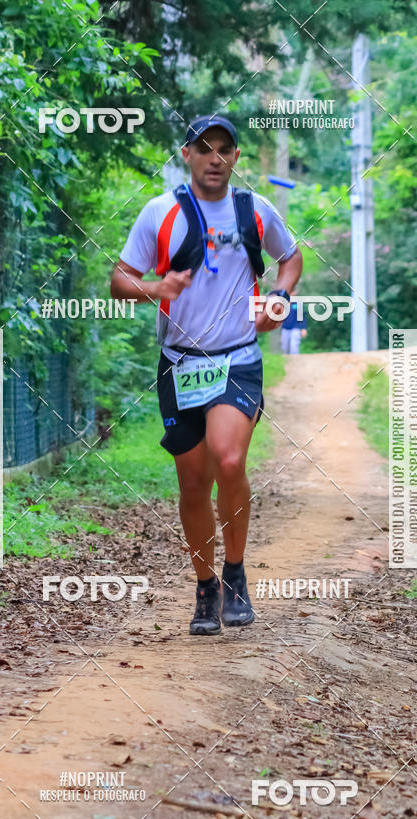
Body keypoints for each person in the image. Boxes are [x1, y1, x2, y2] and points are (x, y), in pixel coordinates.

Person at [110, 114, 302, 636]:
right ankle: (205, 588)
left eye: (225, 149)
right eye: (205, 148)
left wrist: (280, 300)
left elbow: (290, 260)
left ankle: (236, 573)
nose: (215, 157)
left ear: (236, 157)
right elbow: (119, 280)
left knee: (230, 456)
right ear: (187, 154)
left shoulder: (255, 210)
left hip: (237, 357)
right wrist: (158, 288)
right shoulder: (160, 213)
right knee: (193, 482)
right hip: (179, 364)